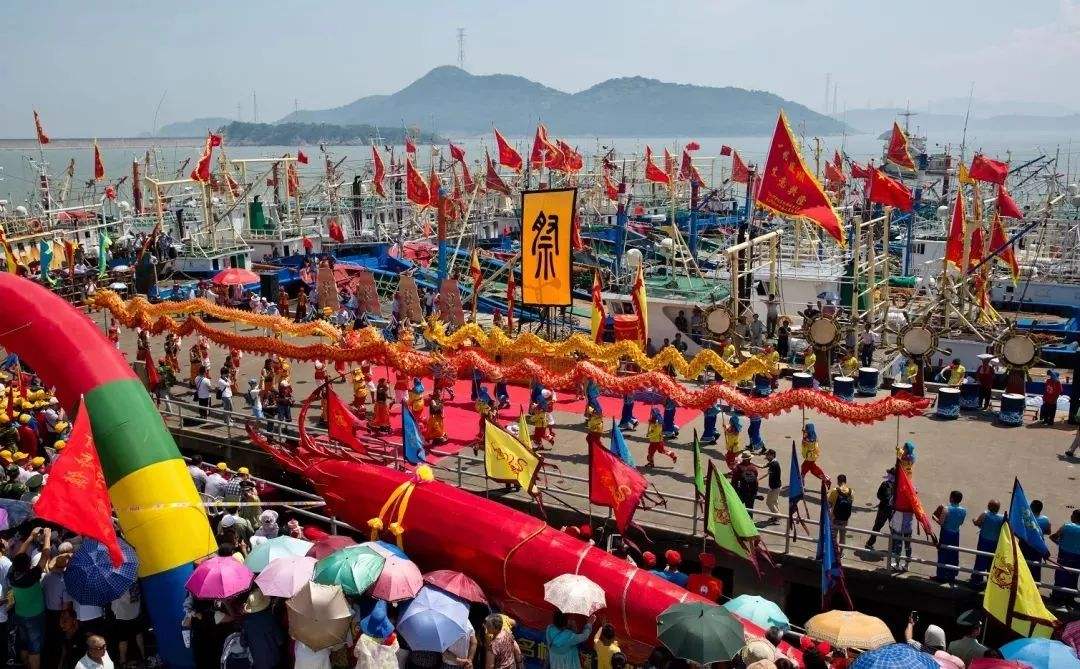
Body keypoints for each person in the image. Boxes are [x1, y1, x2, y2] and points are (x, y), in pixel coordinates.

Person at [11, 527, 51, 669]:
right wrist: (47, 537)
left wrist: (30, 537)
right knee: (35, 649)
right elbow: (45, 556)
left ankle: (25, 666)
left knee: (24, 644)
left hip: (20, 614)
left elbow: (18, 557)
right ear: (28, 565)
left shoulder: (12, 574)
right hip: (34, 616)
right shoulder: (31, 576)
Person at [932, 490, 966, 584]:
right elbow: (961, 523)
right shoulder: (963, 510)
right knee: (953, 554)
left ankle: (941, 576)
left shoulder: (946, 509)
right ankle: (951, 575)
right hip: (955, 533)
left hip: (946, 533)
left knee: (943, 553)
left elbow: (941, 523)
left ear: (951, 498)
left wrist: (934, 517)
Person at [970, 499, 1005, 585]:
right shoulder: (1002, 518)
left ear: (989, 506)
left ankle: (977, 579)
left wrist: (974, 520)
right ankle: (991, 580)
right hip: (995, 542)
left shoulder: (985, 514)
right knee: (992, 561)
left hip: (984, 541)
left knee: (980, 559)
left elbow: (977, 523)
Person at [1049, 509, 1080, 603]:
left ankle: (1057, 596)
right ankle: (1070, 597)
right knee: (1074, 576)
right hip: (1078, 557)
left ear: (1074, 517)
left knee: (1060, 575)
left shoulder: (1066, 526)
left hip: (1064, 555)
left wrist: (1060, 544)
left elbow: (1052, 536)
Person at [110, 584, 143, 666]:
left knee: (123, 640)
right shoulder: (133, 576)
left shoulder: (117, 582)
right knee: (138, 636)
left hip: (122, 614)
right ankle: (143, 656)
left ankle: (123, 661)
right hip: (135, 611)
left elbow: (119, 600)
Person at [864, 468, 895, 550]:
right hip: (894, 510)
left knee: (877, 527)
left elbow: (879, 495)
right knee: (894, 529)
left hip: (883, 509)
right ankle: (894, 547)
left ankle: (870, 543)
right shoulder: (899, 485)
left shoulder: (885, 484)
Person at [1023, 499, 1052, 582]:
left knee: (1023, 565)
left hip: (1025, 545)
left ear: (1031, 507)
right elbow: (1048, 532)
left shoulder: (1025, 517)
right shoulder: (1045, 520)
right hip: (1038, 546)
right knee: (1036, 568)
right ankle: (1035, 586)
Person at [827, 475, 854, 555]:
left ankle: (833, 553)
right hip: (845, 519)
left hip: (834, 517)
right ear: (845, 481)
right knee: (842, 536)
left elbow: (829, 505)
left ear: (838, 481)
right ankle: (841, 553)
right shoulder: (851, 492)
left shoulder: (835, 491)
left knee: (833, 535)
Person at [799, 423, 829, 488]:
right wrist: (804, 433)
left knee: (804, 468)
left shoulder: (808, 439)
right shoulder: (813, 435)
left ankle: (801, 483)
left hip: (809, 457)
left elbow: (806, 442)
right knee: (813, 470)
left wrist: (804, 436)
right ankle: (825, 479)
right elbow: (807, 437)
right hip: (813, 456)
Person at [759, 449, 782, 523]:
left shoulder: (773, 464)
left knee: (769, 503)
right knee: (774, 502)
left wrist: (758, 479)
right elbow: (762, 466)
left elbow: (766, 474)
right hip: (777, 486)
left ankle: (778, 516)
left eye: (767, 455)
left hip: (774, 488)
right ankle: (776, 517)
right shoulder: (773, 462)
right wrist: (752, 463)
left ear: (772, 455)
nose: (766, 457)